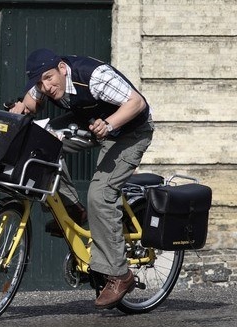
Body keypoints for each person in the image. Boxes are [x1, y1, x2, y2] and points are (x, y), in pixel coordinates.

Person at [9, 48, 154, 309]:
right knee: (42, 142)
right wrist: (17, 110)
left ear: (62, 68)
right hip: (89, 124)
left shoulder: (95, 76)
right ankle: (72, 209)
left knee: (100, 194)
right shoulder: (43, 83)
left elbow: (137, 103)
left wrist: (109, 125)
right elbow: (29, 104)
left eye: (50, 78)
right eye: (41, 82)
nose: (47, 86)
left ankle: (120, 275)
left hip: (129, 131)